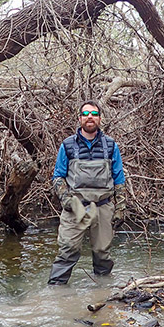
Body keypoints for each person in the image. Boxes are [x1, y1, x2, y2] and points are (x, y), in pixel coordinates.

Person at [48, 100, 126, 285]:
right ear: (80, 118)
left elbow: (119, 178)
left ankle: (104, 292)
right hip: (75, 207)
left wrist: (121, 207)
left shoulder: (110, 145)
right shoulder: (67, 145)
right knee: (67, 251)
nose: (89, 117)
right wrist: (67, 200)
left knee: (102, 253)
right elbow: (58, 176)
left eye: (94, 114)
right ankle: (56, 295)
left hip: (103, 206)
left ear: (100, 119)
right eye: (85, 114)